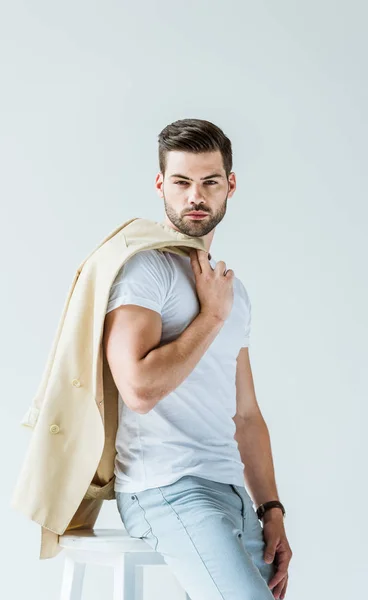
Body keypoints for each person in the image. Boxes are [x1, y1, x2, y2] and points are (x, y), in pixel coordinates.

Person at [102, 118, 292, 600]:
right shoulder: (146, 270)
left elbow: (246, 415)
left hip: (230, 493)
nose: (196, 196)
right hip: (165, 489)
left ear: (230, 185)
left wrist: (271, 508)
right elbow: (138, 390)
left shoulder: (232, 292)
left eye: (210, 181)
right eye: (182, 182)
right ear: (161, 185)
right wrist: (209, 318)